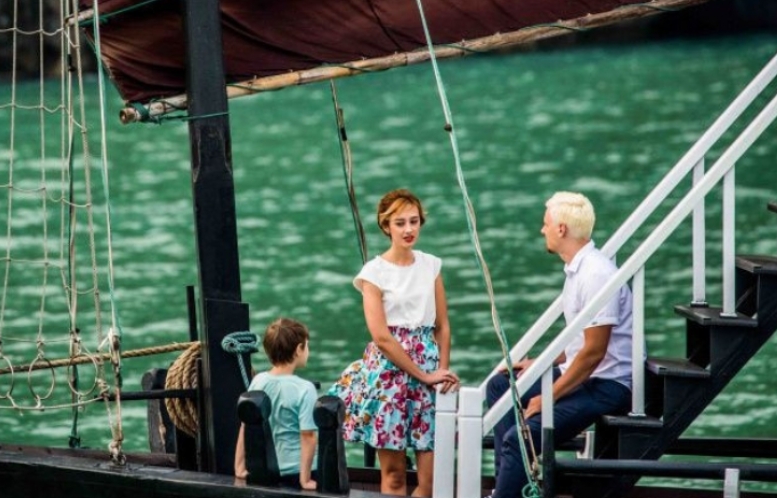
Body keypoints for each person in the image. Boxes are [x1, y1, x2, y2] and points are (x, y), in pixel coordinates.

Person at [485, 191, 635, 498]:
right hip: (586, 375)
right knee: (500, 387)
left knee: (518, 438)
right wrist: (541, 363)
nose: (543, 230)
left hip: (606, 384)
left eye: (545, 224)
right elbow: (582, 342)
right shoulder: (578, 270)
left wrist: (548, 398)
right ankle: (513, 483)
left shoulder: (595, 274)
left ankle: (509, 490)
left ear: (562, 229)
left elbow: (594, 352)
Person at [328, 188, 458, 497]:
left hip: (428, 368)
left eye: (414, 221)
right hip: (388, 374)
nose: (409, 229)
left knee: (431, 482)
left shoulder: (431, 265)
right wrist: (424, 374)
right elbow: (381, 337)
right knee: (395, 476)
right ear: (386, 227)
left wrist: (441, 371)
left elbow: (443, 325)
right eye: (400, 223)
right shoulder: (374, 273)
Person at [234, 317, 319, 490]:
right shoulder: (305, 388)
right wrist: (305, 479)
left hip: (266, 470)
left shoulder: (258, 381)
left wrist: (239, 466)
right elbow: (308, 436)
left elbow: (246, 426)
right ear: (298, 349)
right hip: (298, 472)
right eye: (306, 345)